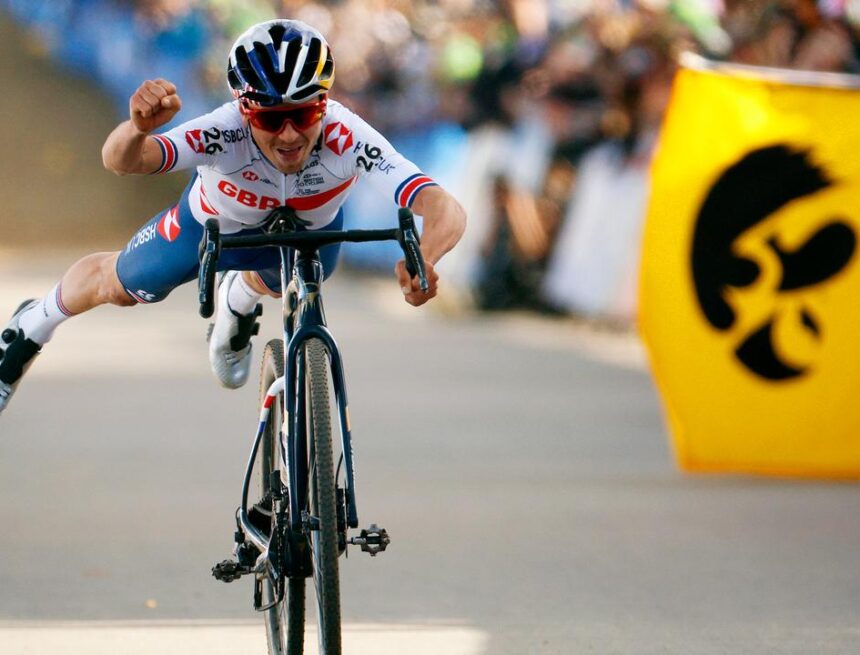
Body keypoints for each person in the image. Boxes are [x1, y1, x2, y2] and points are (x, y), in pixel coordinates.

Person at [0, 19, 466, 414]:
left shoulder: (347, 133)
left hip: (309, 235)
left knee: (300, 276)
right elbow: (122, 160)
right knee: (118, 287)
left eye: (304, 115)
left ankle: (238, 302)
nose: (288, 134)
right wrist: (136, 129)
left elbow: (443, 206)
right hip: (208, 229)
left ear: (324, 105)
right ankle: (31, 325)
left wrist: (424, 259)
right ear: (245, 112)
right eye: (269, 119)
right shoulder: (221, 131)